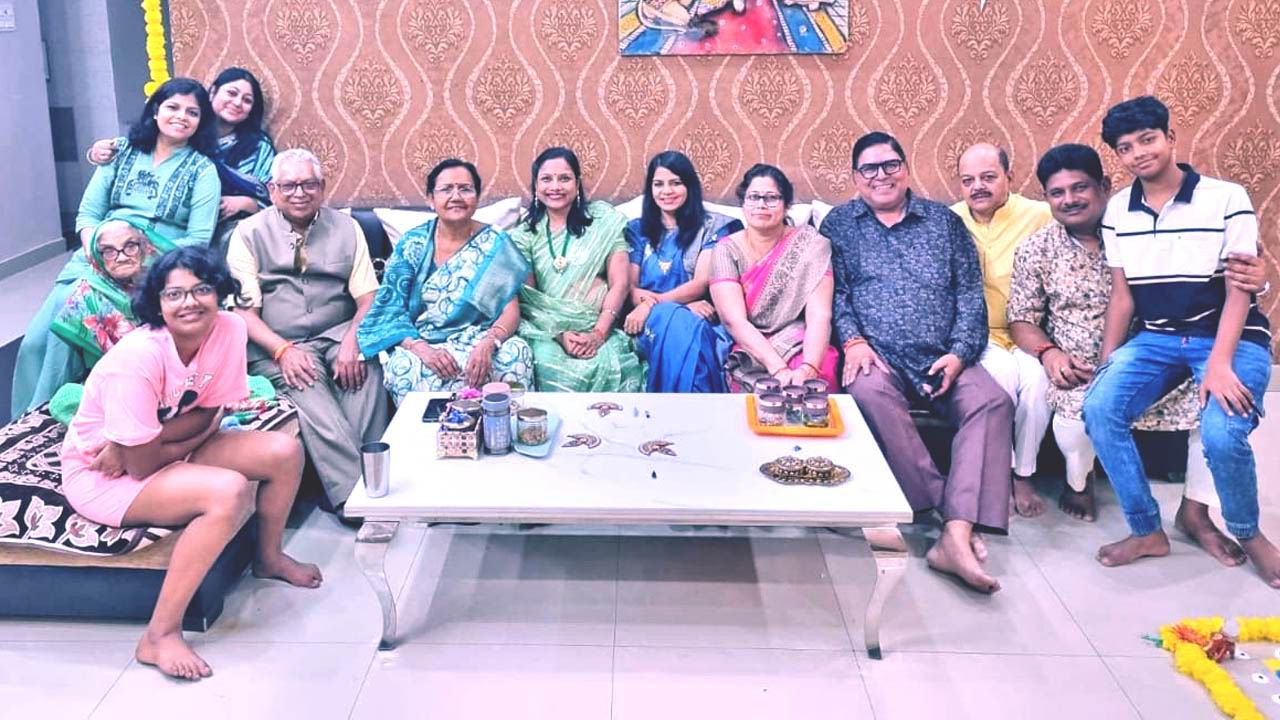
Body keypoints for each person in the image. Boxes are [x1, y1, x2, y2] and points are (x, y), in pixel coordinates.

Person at [60, 246, 321, 680]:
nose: (190, 302)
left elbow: (209, 412)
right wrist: (149, 443)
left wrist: (154, 438)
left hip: (156, 446)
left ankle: (269, 558)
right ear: (157, 303)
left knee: (283, 452)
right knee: (227, 491)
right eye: (174, 294)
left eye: (201, 289)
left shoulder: (230, 329)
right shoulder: (138, 357)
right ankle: (159, 635)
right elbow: (141, 467)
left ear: (219, 292)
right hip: (104, 473)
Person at [1008, 144, 1268, 537]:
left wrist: (1259, 280)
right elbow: (1022, 318)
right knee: (1078, 413)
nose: (1069, 200)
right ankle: (1080, 482)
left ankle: (1196, 512)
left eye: (1080, 188)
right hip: (1085, 365)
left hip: (1160, 353)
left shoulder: (1138, 228)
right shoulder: (1036, 249)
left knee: (1214, 408)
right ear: (1046, 197)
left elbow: (1217, 278)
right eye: (1057, 193)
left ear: (1104, 186)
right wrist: (1049, 353)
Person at [1083, 96, 1279, 587]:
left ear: (1171, 138)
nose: (1139, 153)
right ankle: (1146, 530)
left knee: (1222, 434)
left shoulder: (1226, 198)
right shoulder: (1118, 212)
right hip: (1158, 339)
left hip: (1233, 338)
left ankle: (1248, 532)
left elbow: (1241, 287)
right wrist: (1109, 360)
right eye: (1126, 148)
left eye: (1148, 139)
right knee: (1100, 407)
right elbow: (1123, 295)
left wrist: (1220, 363)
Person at [820, 131, 1014, 594]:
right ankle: (952, 516)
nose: (881, 176)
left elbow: (969, 294)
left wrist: (959, 353)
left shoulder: (944, 222)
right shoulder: (840, 224)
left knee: (992, 402)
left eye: (890, 165)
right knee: (868, 395)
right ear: (855, 178)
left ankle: (953, 535)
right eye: (869, 169)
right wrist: (853, 342)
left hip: (941, 354)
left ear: (906, 169)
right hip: (876, 355)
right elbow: (835, 294)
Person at [11, 77, 220, 420]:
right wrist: (102, 254)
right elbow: (88, 215)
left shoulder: (203, 170)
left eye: (192, 112)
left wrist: (139, 256)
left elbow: (198, 239)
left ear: (201, 122)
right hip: (97, 256)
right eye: (173, 107)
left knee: (68, 327)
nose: (181, 116)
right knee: (36, 341)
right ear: (155, 110)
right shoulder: (120, 153)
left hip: (155, 266)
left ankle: (53, 414)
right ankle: (26, 419)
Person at [227, 149, 389, 512]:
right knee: (307, 379)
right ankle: (358, 496)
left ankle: (367, 481)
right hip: (278, 343)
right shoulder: (248, 233)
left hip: (338, 333)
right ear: (272, 190)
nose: (299, 193)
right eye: (289, 186)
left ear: (323, 187)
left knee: (369, 370)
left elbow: (368, 298)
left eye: (309, 184)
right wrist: (283, 350)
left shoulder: (348, 228)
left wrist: (352, 342)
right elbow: (243, 313)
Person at [357, 158, 534, 402]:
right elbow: (390, 310)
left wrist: (489, 343)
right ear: (431, 199)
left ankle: (504, 425)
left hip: (481, 338)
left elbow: (510, 310)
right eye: (446, 189)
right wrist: (422, 349)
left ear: (477, 197)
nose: (456, 196)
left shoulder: (495, 243)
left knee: (517, 351)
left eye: (465, 189)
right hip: (424, 341)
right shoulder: (413, 244)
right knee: (403, 367)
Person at [950, 143, 1054, 517]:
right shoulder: (950, 221)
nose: (977, 186)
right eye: (968, 180)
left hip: (1031, 332)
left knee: (1038, 387)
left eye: (988, 177)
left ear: (1010, 177)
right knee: (1003, 385)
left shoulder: (1041, 215)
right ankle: (999, 474)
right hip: (981, 336)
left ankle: (1023, 473)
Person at [89, 67, 276, 249]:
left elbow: (274, 194)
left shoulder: (256, 148)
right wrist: (96, 153)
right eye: (231, 93)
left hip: (218, 228)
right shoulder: (166, 141)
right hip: (160, 224)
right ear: (212, 93)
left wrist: (245, 203)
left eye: (247, 100)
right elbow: (90, 212)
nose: (237, 103)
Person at [511, 147, 646, 392]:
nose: (555, 186)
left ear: (577, 183)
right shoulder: (524, 235)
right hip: (548, 331)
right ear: (535, 186)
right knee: (547, 365)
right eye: (546, 179)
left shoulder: (604, 221)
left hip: (600, 324)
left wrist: (598, 334)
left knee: (613, 365)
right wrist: (560, 333)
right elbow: (531, 301)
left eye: (564, 178)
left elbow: (620, 284)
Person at [709, 164, 838, 388]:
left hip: (800, 337)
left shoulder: (812, 246)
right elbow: (733, 320)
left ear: (786, 205)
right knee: (751, 378)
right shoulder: (725, 249)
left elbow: (819, 314)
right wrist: (777, 367)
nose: (761, 205)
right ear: (743, 203)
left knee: (821, 370)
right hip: (749, 340)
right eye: (754, 197)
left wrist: (809, 367)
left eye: (771, 198)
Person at [624, 150, 741, 392]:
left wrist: (653, 304)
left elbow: (701, 283)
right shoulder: (637, 230)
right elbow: (630, 288)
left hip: (697, 315)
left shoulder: (713, 227)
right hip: (647, 321)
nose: (666, 191)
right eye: (658, 184)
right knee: (675, 320)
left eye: (675, 183)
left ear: (689, 186)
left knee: (686, 327)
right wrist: (663, 308)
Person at [49, 219, 176, 372]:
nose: (122, 258)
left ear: (144, 247)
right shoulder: (84, 300)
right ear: (97, 257)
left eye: (130, 246)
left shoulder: (166, 282)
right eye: (109, 251)